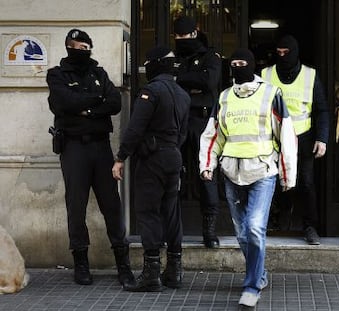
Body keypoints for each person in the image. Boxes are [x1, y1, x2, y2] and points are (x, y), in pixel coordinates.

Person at [199, 48, 297, 308]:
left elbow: (286, 134)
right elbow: (213, 134)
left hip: (263, 171)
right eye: (234, 64)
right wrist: (207, 165)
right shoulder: (224, 97)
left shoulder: (271, 94)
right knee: (243, 234)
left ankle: (251, 286)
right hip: (232, 173)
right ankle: (260, 274)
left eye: (243, 63)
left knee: (254, 228)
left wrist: (288, 174)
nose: (238, 67)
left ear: (252, 66)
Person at [46, 29, 134, 287]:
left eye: (86, 47)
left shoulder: (99, 73)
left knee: (112, 206)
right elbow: (62, 103)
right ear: (68, 47)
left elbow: (115, 103)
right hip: (74, 148)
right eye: (77, 47)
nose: (82, 51)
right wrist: (94, 104)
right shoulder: (57, 75)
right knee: (76, 207)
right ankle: (81, 265)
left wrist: (84, 108)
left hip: (100, 148)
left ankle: (123, 266)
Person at [112, 46, 190, 292]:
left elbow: (135, 128)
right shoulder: (182, 94)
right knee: (171, 212)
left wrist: (121, 157)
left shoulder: (151, 92)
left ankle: (151, 275)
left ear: (154, 65)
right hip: (173, 156)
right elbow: (183, 133)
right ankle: (174, 272)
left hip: (152, 159)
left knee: (148, 212)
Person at [261, 34, 329, 245]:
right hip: (275, 138)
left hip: (303, 137)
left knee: (306, 183)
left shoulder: (310, 75)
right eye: (279, 53)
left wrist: (322, 138)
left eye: (286, 53)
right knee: (273, 181)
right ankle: (274, 220)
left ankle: (310, 227)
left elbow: (322, 110)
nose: (282, 57)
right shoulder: (267, 73)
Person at [173, 15, 222, 248]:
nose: (182, 40)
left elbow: (209, 81)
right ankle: (171, 229)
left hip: (202, 122)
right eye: (178, 36)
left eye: (186, 35)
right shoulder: (172, 58)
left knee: (206, 175)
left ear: (196, 32)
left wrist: (181, 79)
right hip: (178, 121)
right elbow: (165, 81)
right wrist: (193, 81)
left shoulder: (210, 57)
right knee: (173, 174)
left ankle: (209, 232)